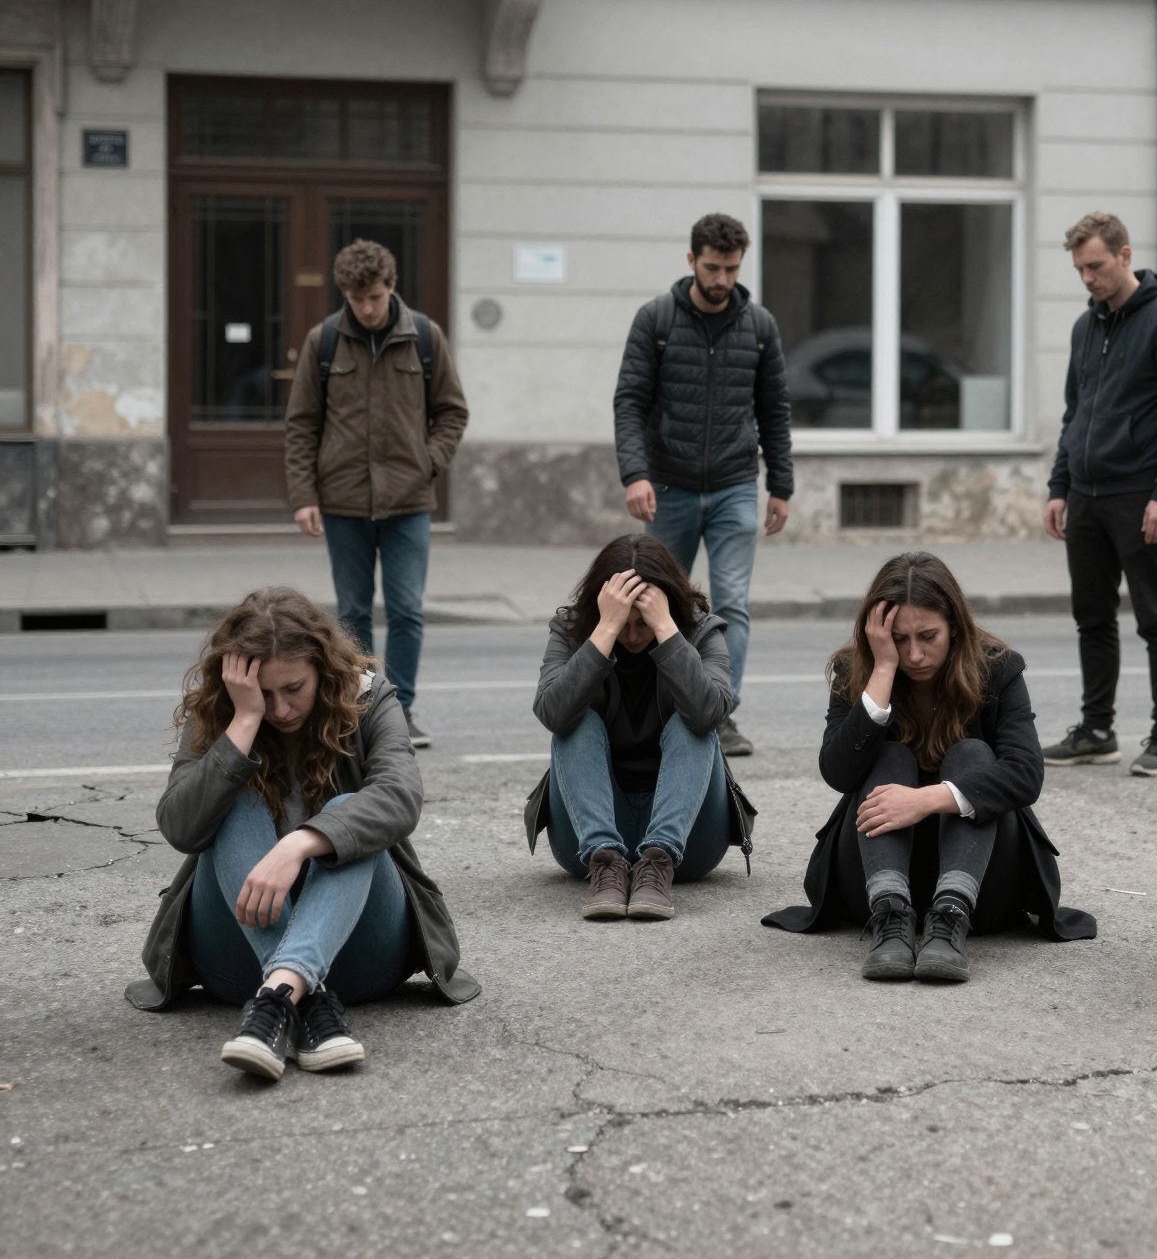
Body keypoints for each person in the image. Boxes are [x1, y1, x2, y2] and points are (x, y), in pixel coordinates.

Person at [125, 587, 479, 1081]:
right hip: (236, 957)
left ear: (323, 670)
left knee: (349, 812)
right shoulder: (225, 712)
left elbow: (401, 797)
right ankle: (299, 997)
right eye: (263, 695)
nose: (282, 709)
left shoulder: (366, 696)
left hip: (360, 953)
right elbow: (181, 827)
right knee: (236, 796)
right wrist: (242, 721)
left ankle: (277, 1000)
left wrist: (302, 842)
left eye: (294, 688)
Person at [763, 551, 1095, 982]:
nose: (915, 654)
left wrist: (925, 800)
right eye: (899, 639)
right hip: (870, 879)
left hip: (981, 883)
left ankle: (949, 918)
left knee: (973, 755)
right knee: (889, 755)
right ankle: (891, 919)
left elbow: (1026, 773)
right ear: (877, 634)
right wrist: (881, 670)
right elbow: (838, 773)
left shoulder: (998, 669)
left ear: (954, 627)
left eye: (928, 636)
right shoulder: (855, 670)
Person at [614, 212, 794, 760]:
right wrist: (635, 473)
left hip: (736, 484)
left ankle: (721, 715)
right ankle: (657, 708)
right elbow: (630, 401)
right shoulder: (656, 320)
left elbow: (774, 409)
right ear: (691, 260)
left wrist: (781, 484)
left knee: (732, 604)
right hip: (667, 485)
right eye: (712, 267)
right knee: (656, 599)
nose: (721, 279)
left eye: (731, 268)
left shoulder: (759, 327)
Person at [285, 238, 467, 751]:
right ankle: (359, 707)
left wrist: (427, 462)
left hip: (408, 502)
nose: (366, 308)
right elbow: (301, 425)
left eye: (374, 297)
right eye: (356, 299)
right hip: (342, 502)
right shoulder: (324, 342)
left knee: (407, 609)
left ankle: (401, 711)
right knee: (354, 612)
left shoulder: (424, 338)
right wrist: (304, 495)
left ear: (391, 287)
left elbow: (452, 411)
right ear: (345, 293)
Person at [1042, 212, 1157, 777]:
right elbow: (1075, 413)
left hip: (1140, 495)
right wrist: (1059, 486)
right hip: (1085, 495)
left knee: (1155, 617)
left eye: (1096, 266)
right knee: (1092, 617)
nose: (1088, 278)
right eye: (1080, 269)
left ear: (1124, 255)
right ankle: (1096, 730)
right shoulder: (1085, 328)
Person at [525, 535, 754, 920]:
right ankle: (607, 860)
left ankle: (657, 861)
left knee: (692, 721)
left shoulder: (700, 632)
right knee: (575, 720)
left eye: (641, 623)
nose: (632, 636)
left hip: (688, 839)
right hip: (586, 840)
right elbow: (553, 713)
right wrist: (604, 631)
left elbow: (708, 714)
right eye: (622, 622)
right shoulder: (571, 630)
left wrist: (665, 629)